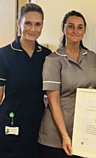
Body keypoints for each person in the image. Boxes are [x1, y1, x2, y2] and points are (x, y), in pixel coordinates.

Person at [38, 10, 96, 158]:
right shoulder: (53, 60)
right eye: (71, 26)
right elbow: (53, 100)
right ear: (63, 29)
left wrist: (94, 93)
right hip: (56, 136)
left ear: (84, 30)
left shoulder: (92, 57)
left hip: (84, 131)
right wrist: (65, 136)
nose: (75, 31)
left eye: (80, 27)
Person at [0, 3, 51, 158]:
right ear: (19, 24)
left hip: (38, 122)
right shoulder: (4, 55)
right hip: (11, 120)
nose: (33, 29)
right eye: (28, 23)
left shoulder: (47, 56)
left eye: (38, 24)